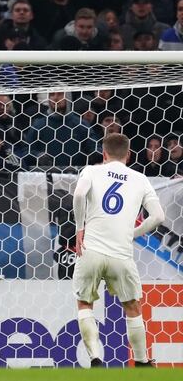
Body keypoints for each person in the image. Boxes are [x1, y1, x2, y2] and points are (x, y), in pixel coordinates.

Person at [72, 133, 165, 368]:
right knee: (132, 306)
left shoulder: (91, 171)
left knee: (85, 304)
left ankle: (95, 358)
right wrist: (132, 234)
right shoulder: (140, 178)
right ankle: (142, 362)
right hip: (121, 254)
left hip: (90, 249)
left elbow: (80, 194)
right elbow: (159, 216)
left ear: (104, 154)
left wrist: (79, 228)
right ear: (129, 155)